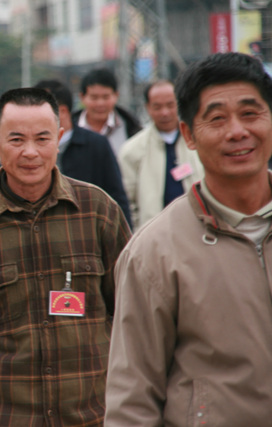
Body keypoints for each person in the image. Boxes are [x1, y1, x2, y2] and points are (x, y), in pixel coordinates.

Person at [0, 88, 131, 426]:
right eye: (16, 140)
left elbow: (132, 316)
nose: (30, 152)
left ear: (59, 139)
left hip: (89, 413)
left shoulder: (98, 211)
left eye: (42, 139)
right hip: (2, 414)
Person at [105, 52, 272, 426]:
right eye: (217, 119)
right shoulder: (153, 252)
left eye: (250, 113)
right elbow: (132, 398)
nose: (237, 131)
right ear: (189, 135)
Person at [34, 78, 132, 227]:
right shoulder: (28, 149)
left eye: (38, 111)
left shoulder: (96, 144)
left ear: (62, 111)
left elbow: (116, 196)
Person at [118, 80, 204, 229]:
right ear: (148, 108)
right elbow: (127, 201)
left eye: (170, 105)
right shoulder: (132, 150)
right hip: (155, 232)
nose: (165, 112)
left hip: (198, 227)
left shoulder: (199, 141)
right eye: (157, 107)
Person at [72, 68, 142, 155]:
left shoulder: (131, 128)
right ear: (82, 97)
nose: (100, 103)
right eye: (94, 97)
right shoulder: (69, 129)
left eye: (106, 97)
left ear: (116, 95)